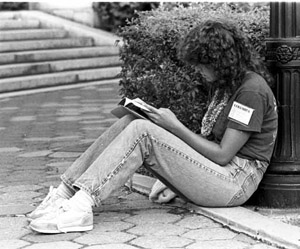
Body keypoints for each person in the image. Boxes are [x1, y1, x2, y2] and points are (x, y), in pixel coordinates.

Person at [28, 19, 278, 234]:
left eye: (202, 64)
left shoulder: (251, 91)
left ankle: (82, 207)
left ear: (220, 61)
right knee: (133, 120)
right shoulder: (225, 84)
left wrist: (175, 127)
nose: (198, 70)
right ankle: (64, 194)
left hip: (236, 182)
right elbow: (209, 142)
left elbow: (223, 155)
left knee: (142, 131)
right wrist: (177, 174)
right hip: (219, 173)